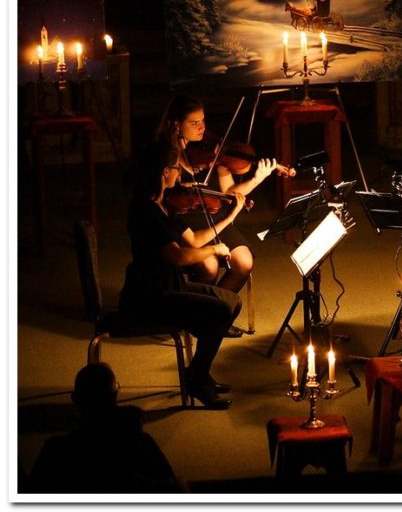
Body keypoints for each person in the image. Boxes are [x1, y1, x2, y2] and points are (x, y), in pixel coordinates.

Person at [120, 140, 242, 409]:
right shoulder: (146, 210)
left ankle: (197, 372)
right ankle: (197, 379)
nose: (179, 174)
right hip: (151, 294)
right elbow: (179, 256)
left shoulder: (163, 204)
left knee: (232, 302)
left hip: (169, 284)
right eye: (176, 168)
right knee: (221, 310)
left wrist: (228, 217)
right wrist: (215, 250)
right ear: (164, 172)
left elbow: (195, 240)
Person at [155, 94, 278, 302]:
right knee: (209, 266)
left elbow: (229, 191)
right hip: (185, 223)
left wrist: (257, 179)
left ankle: (219, 313)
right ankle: (200, 316)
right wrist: (182, 187)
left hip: (214, 216)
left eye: (203, 121)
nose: (202, 128)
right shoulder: (165, 155)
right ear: (176, 125)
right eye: (194, 123)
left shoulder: (211, 150)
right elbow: (160, 197)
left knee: (244, 262)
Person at [29, 363, 183, 492]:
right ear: (115, 394)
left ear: (75, 399)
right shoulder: (142, 444)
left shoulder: (57, 451)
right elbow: (173, 492)